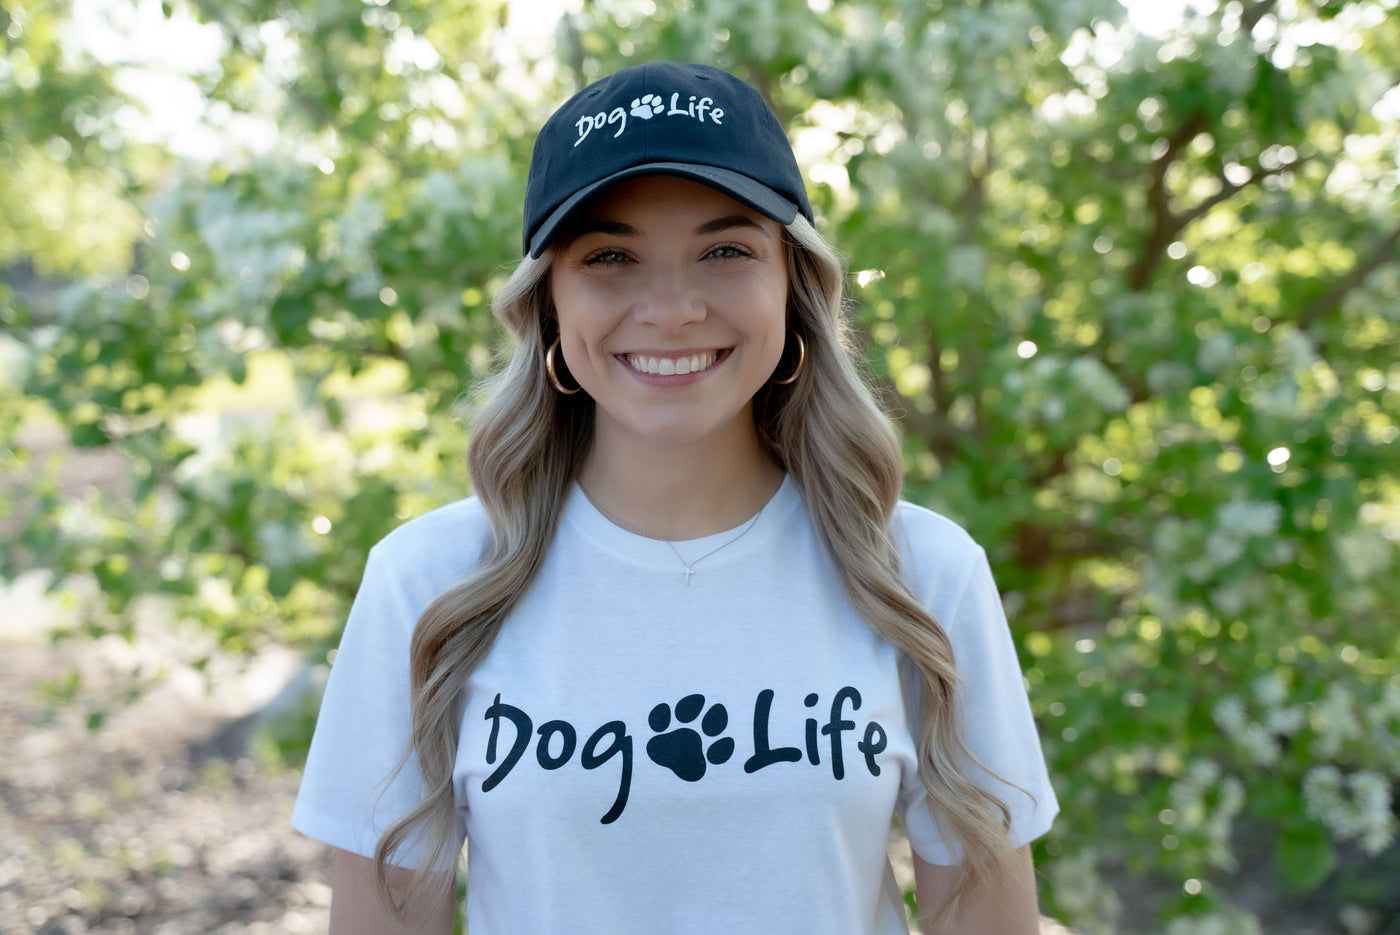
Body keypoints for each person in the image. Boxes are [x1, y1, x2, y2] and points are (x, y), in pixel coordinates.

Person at [292, 61, 1058, 935]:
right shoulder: (426, 585)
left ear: (791, 287)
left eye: (725, 251)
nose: (670, 308)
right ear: (548, 303)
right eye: (611, 257)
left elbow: (986, 918)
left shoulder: (922, 575)